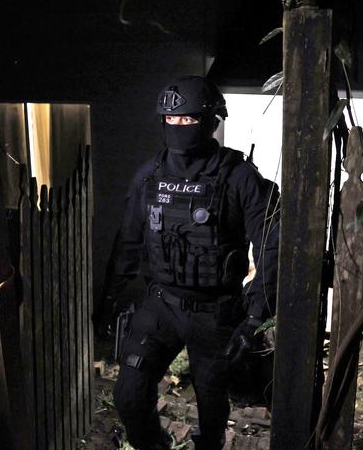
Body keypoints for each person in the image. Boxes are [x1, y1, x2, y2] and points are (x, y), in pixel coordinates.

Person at [95, 75, 279, 450]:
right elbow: (128, 243)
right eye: (170, 119)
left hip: (215, 313)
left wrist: (256, 316)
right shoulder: (150, 176)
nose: (177, 127)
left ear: (211, 121)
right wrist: (108, 300)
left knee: (212, 409)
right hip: (161, 304)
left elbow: (271, 246)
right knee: (129, 396)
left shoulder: (238, 178)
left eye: (188, 120)